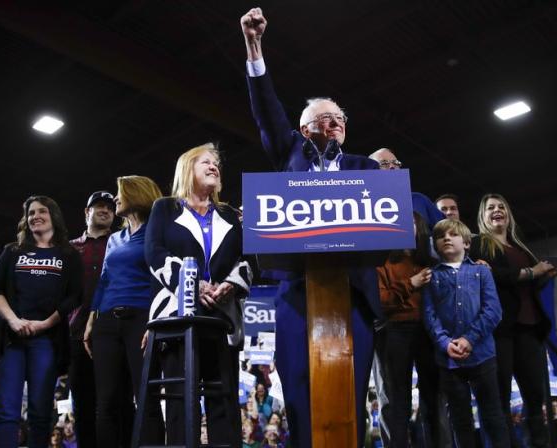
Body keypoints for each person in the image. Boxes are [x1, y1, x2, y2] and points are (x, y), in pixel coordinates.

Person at [241, 7, 381, 446]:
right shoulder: (290, 154)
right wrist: (254, 46)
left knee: (351, 390)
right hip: (297, 293)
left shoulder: (366, 169)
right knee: (300, 387)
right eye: (324, 119)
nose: (334, 124)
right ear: (304, 130)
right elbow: (267, 111)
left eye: (339, 119)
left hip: (353, 293)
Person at [146, 143, 251, 445]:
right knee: (180, 398)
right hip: (177, 316)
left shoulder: (229, 214)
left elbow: (248, 259)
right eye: (205, 161)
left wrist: (231, 284)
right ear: (187, 168)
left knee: (225, 397)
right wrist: (191, 284)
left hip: (222, 315)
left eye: (216, 163)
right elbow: (154, 252)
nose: (214, 166)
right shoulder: (164, 208)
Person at [0, 195, 83, 448]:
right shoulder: (12, 251)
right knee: (7, 412)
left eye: (42, 211)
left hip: (47, 340)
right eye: (30, 213)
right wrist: (13, 320)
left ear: (54, 217)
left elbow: (75, 296)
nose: (35, 216)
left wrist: (45, 324)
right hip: (10, 339)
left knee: (40, 413)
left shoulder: (68, 254)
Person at [467, 194, 557, 448]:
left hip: (530, 329)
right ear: (483, 217)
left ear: (509, 214)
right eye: (490, 208)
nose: (497, 211)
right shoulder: (479, 245)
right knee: (500, 398)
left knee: (534, 398)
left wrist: (545, 273)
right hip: (499, 331)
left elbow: (531, 282)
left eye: (501, 207)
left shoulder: (521, 247)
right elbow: (489, 276)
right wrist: (531, 271)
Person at [83, 176, 164, 447]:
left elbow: (162, 278)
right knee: (106, 402)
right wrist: (92, 319)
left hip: (142, 320)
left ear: (137, 194)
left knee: (146, 398)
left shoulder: (158, 230)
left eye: (120, 193)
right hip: (106, 323)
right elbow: (104, 280)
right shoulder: (115, 238)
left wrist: (155, 322)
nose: (116, 199)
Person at [423, 218, 509, 448]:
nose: (447, 238)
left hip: (483, 356)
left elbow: (493, 310)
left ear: (467, 243)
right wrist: (445, 343)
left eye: (453, 235)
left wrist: (469, 339)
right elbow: (429, 315)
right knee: (460, 420)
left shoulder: (482, 271)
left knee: (493, 416)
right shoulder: (431, 276)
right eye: (441, 236)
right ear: (435, 244)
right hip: (448, 361)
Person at [370, 212, 444, 447]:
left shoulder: (431, 263)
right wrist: (410, 284)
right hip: (393, 332)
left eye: (411, 223)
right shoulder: (381, 263)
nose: (406, 227)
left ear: (420, 229)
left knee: (433, 398)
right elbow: (379, 302)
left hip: (428, 333)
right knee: (396, 400)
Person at [68, 191, 117, 448]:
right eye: (98, 206)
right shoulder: (69, 248)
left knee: (112, 404)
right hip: (76, 335)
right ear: (86, 212)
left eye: (109, 207)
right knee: (83, 406)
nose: (105, 210)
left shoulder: (121, 244)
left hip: (113, 334)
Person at [369, 148, 445, 232]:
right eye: (384, 163)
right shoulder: (361, 205)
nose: (392, 166)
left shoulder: (419, 200)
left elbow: (447, 231)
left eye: (395, 163)